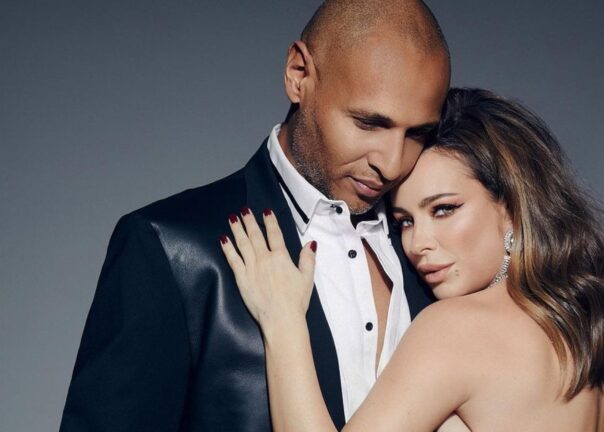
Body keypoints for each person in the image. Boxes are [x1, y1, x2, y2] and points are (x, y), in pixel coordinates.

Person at [59, 1, 450, 430]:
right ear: (298, 74)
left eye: (418, 133)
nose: (391, 164)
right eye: (368, 123)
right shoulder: (171, 251)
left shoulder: (442, 260)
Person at [220, 88, 604, 431]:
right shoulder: (595, 337)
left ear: (512, 207)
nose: (418, 243)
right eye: (404, 221)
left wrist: (283, 322)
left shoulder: (457, 329)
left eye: (443, 209)